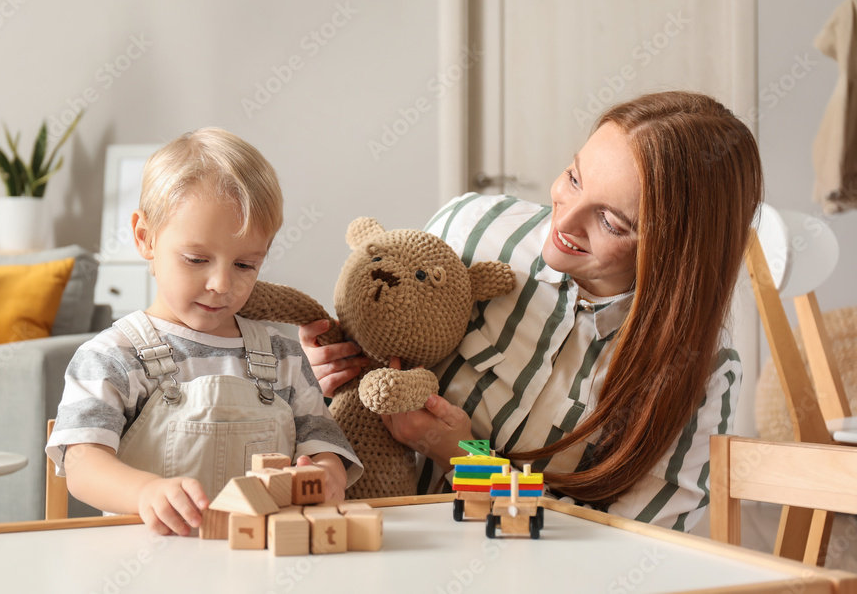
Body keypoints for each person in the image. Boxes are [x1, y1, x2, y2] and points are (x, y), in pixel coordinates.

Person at [301, 91, 762, 531]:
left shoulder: (699, 378)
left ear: (676, 252)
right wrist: (321, 375)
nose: (562, 221)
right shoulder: (470, 229)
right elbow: (354, 375)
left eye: (609, 221)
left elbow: (625, 554)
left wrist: (462, 458)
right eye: (575, 178)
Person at [47, 128, 362, 536]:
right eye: (197, 259)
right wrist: (145, 492)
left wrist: (324, 472)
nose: (221, 284)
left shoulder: (281, 355)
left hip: (261, 564)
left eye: (245, 265)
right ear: (145, 238)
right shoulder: (113, 356)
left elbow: (322, 445)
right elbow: (83, 466)